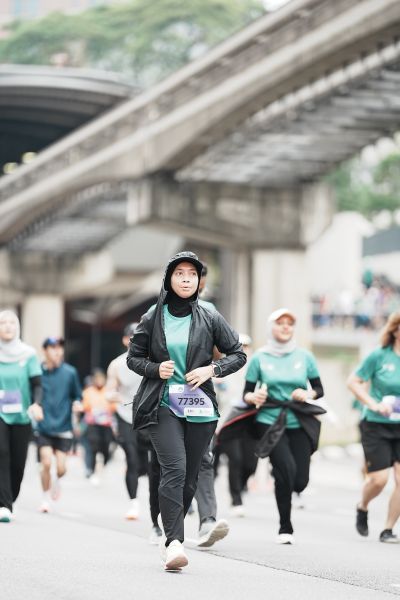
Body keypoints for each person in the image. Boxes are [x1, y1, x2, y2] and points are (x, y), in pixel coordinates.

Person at [127, 251, 246, 571]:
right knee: (174, 469)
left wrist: (212, 370)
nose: (186, 279)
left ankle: (171, 530)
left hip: (200, 407)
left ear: (198, 281)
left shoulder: (209, 315)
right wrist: (155, 369)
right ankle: (174, 543)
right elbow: (133, 358)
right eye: (179, 273)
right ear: (169, 279)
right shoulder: (153, 316)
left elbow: (238, 354)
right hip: (162, 403)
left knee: (190, 477)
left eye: (191, 274)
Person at [242, 308, 324, 544]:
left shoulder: (305, 356)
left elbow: (319, 389)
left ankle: (281, 472)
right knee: (285, 470)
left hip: (299, 419)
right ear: (271, 328)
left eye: (290, 323)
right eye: (280, 323)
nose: (286, 327)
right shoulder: (259, 357)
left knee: (300, 481)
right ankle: (285, 527)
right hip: (269, 420)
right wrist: (254, 397)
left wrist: (307, 393)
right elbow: (246, 394)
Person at [348, 310, 400, 543]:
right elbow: (353, 382)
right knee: (379, 479)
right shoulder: (379, 356)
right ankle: (363, 505)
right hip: (376, 424)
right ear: (395, 330)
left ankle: (388, 529)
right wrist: (373, 404)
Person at [0, 310, 43, 522]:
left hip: (22, 415)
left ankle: (10, 499)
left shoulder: (28, 354)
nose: (8, 326)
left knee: (18, 462)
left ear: (17, 327)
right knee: (1, 453)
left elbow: (37, 385)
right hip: (0, 414)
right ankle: (3, 505)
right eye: (3, 322)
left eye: (12, 322)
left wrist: (36, 403)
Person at [36, 336, 82, 513]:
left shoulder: (70, 372)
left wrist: (77, 403)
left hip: (64, 426)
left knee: (61, 469)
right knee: (46, 462)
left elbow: (77, 395)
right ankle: (45, 498)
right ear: (45, 350)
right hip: (44, 426)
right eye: (53, 347)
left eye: (60, 347)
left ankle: (56, 480)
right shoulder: (37, 372)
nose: (57, 351)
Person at [106, 323, 145, 520]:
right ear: (124, 340)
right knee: (131, 457)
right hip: (124, 415)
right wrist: (112, 396)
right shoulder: (117, 364)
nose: (135, 340)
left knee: (147, 462)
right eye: (131, 337)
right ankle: (133, 503)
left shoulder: (153, 360)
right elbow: (109, 390)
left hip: (147, 416)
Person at [216, 333, 258, 517]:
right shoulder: (221, 369)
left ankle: (240, 487)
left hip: (250, 420)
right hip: (228, 422)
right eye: (239, 346)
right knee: (235, 460)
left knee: (250, 463)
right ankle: (236, 499)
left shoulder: (257, 369)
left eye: (246, 346)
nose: (243, 349)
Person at [82, 369, 115, 485]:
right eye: (98, 379)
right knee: (93, 446)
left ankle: (103, 463)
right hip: (93, 424)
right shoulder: (88, 392)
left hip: (106, 424)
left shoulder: (108, 392)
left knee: (106, 446)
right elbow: (85, 406)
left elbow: (114, 406)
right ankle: (91, 469)